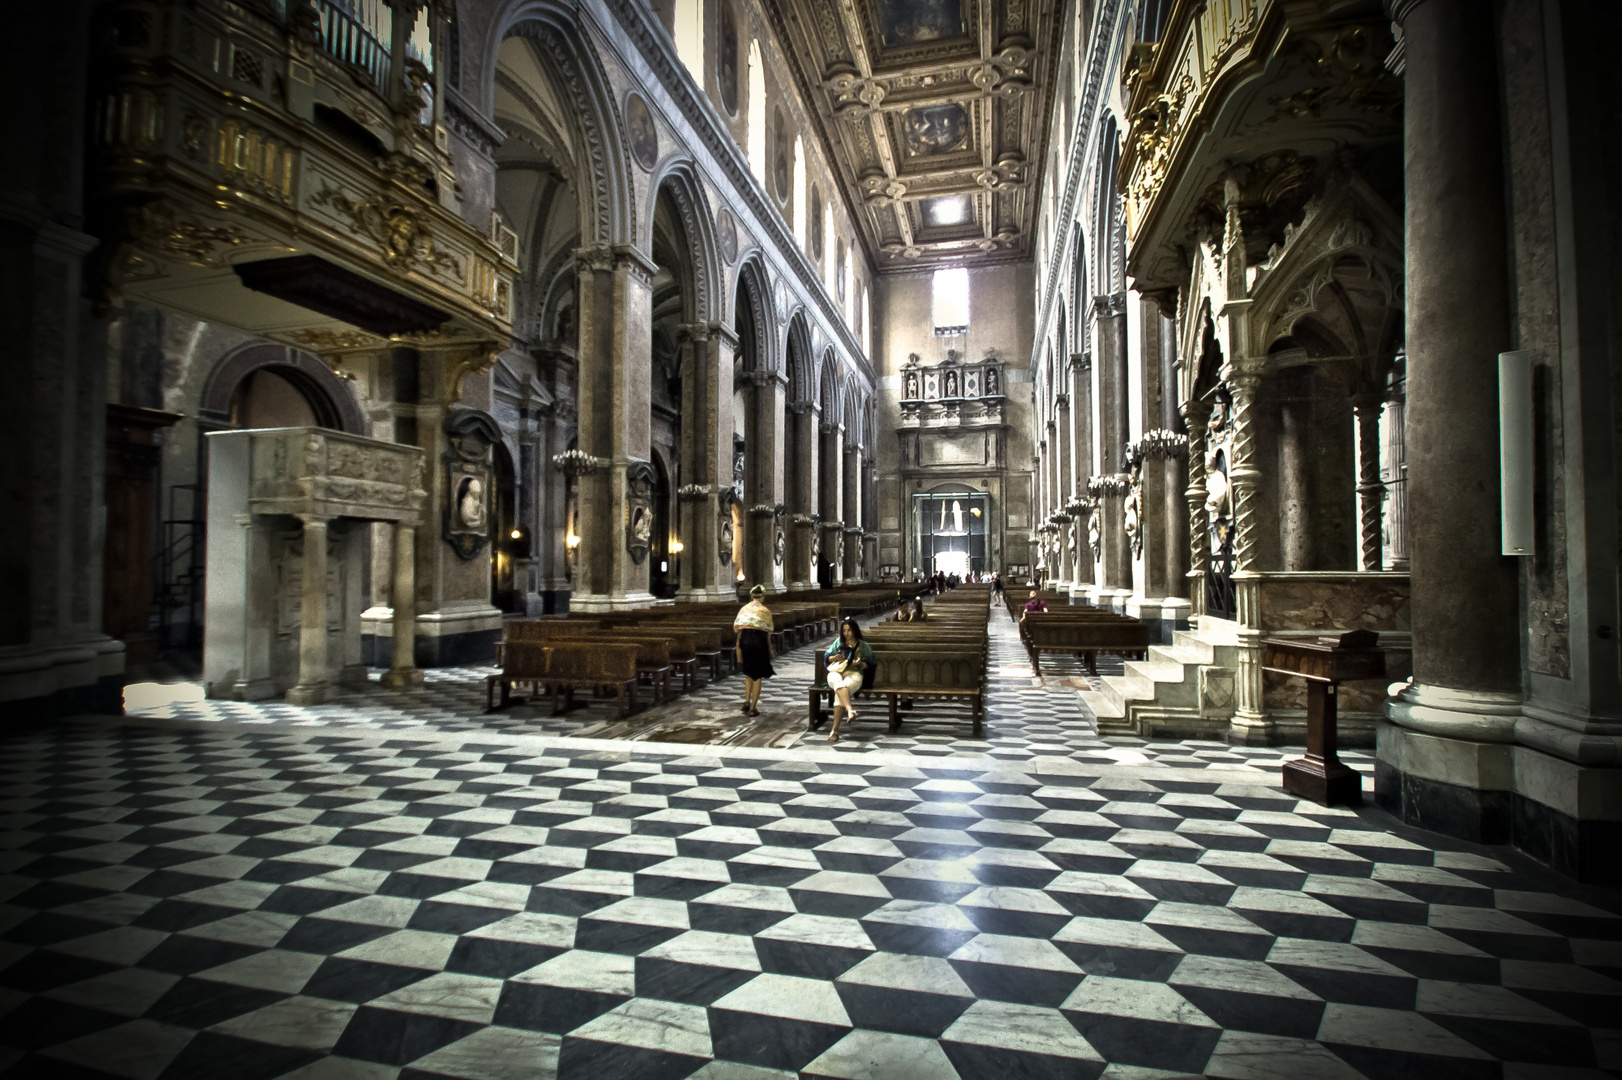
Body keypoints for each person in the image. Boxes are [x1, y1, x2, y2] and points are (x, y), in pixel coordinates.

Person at [823, 617, 874, 743]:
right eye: (844, 630)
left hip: (854, 674)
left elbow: (871, 663)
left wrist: (861, 664)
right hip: (837, 672)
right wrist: (833, 657)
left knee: (839, 690)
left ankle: (834, 730)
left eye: (849, 630)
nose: (846, 633)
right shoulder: (838, 642)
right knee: (837, 682)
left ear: (855, 631)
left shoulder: (863, 646)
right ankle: (850, 710)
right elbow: (826, 657)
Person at [733, 585, 775, 716]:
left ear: (751, 596)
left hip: (745, 640)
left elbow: (736, 627)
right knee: (757, 675)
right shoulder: (765, 610)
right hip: (758, 641)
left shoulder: (744, 608)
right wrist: (769, 648)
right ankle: (753, 708)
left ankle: (746, 701)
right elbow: (769, 630)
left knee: (748, 672)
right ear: (762, 596)